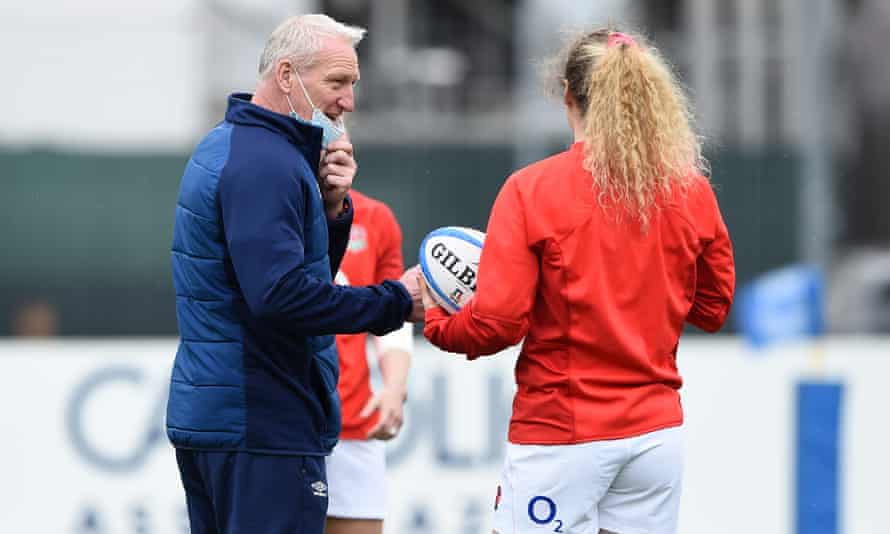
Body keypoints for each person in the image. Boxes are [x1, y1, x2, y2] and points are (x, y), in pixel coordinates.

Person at [419, 29, 735, 534]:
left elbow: (496, 323)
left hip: (563, 435)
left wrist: (435, 317)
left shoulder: (532, 189)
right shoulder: (690, 190)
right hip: (655, 436)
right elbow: (713, 308)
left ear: (567, 93)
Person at [166, 14, 422, 534]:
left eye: (352, 84)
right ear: (286, 75)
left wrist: (332, 210)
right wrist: (396, 300)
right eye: (337, 82)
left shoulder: (239, 144)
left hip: (232, 420)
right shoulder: (266, 162)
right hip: (260, 422)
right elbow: (281, 298)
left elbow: (286, 278)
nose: (348, 100)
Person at [326, 190, 413, 534]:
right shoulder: (268, 211)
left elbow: (394, 315)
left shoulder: (376, 218)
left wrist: (394, 387)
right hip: (282, 428)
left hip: (352, 423)